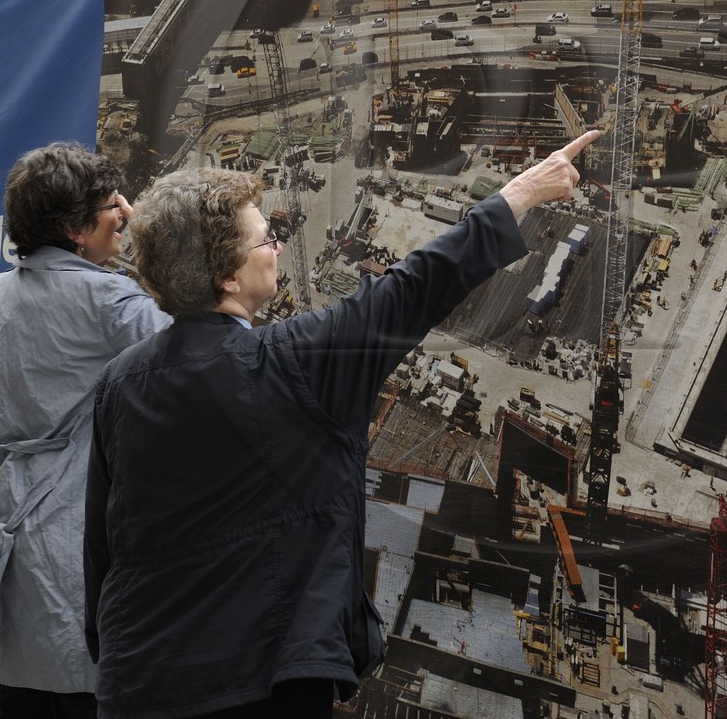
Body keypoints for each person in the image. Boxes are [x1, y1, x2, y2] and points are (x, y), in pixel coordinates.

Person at [84, 130, 599, 719]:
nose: (277, 248)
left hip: (140, 677)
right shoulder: (296, 362)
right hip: (264, 677)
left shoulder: (120, 383)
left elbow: (102, 546)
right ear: (227, 275)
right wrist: (524, 192)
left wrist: (112, 653)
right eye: (265, 240)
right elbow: (418, 285)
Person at [0, 143, 171, 719]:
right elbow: (198, 367)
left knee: (25, 693)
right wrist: (153, 236)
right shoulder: (112, 301)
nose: (122, 212)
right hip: (68, 536)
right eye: (110, 205)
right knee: (77, 694)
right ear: (77, 228)